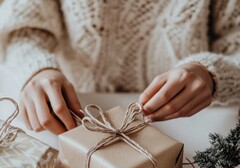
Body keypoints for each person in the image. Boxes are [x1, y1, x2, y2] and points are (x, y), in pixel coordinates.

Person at [0, 0, 239, 135]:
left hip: (195, 125)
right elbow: (23, 30)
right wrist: (38, 68)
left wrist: (209, 73)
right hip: (75, 112)